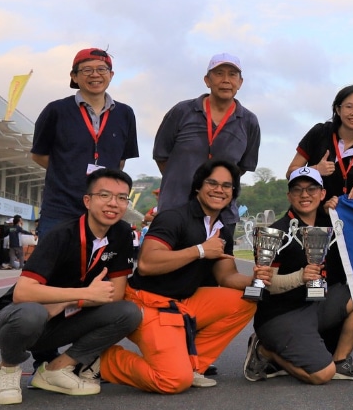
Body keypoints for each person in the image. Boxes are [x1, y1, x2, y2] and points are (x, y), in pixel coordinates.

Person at [0, 168, 142, 404]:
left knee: (128, 312)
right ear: (87, 200)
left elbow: (114, 293)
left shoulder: (122, 233)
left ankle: (56, 370)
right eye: (104, 195)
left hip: (57, 321)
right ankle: (8, 369)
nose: (113, 203)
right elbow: (23, 293)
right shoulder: (62, 234)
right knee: (32, 312)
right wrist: (83, 294)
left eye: (122, 198)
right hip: (8, 321)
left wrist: (68, 300)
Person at [98, 159, 257, 393]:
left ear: (233, 192)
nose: (219, 190)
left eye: (226, 186)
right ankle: (101, 360)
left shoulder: (222, 229)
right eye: (212, 183)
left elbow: (227, 277)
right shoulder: (173, 217)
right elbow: (147, 264)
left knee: (246, 299)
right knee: (171, 380)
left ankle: (193, 366)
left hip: (182, 303)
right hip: (149, 303)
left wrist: (256, 280)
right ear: (197, 187)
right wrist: (200, 250)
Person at [242, 167, 353, 384]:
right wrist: (300, 276)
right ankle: (265, 351)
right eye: (298, 189)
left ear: (322, 194)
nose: (305, 195)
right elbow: (266, 284)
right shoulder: (275, 231)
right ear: (289, 196)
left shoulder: (331, 223)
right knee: (322, 375)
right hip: (281, 314)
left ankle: (340, 360)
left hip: (316, 304)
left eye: (312, 189)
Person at [31, 49, 140, 235]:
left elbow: (120, 161)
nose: (95, 75)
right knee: (53, 262)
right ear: (74, 76)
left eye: (102, 69)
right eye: (87, 70)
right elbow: (38, 155)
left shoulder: (125, 114)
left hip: (104, 209)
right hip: (60, 207)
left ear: (111, 75)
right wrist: (68, 171)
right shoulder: (56, 110)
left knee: (101, 262)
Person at [152, 53, 261, 219]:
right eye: (219, 73)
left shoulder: (249, 121)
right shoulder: (182, 111)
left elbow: (242, 168)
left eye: (232, 75)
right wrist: (186, 182)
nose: (226, 80)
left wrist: (215, 187)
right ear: (207, 80)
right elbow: (161, 156)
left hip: (221, 216)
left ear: (240, 82)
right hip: (175, 210)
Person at [288, 85, 353, 211]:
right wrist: (315, 169)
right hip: (312, 214)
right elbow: (290, 172)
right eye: (349, 107)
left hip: (347, 216)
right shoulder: (320, 132)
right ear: (337, 109)